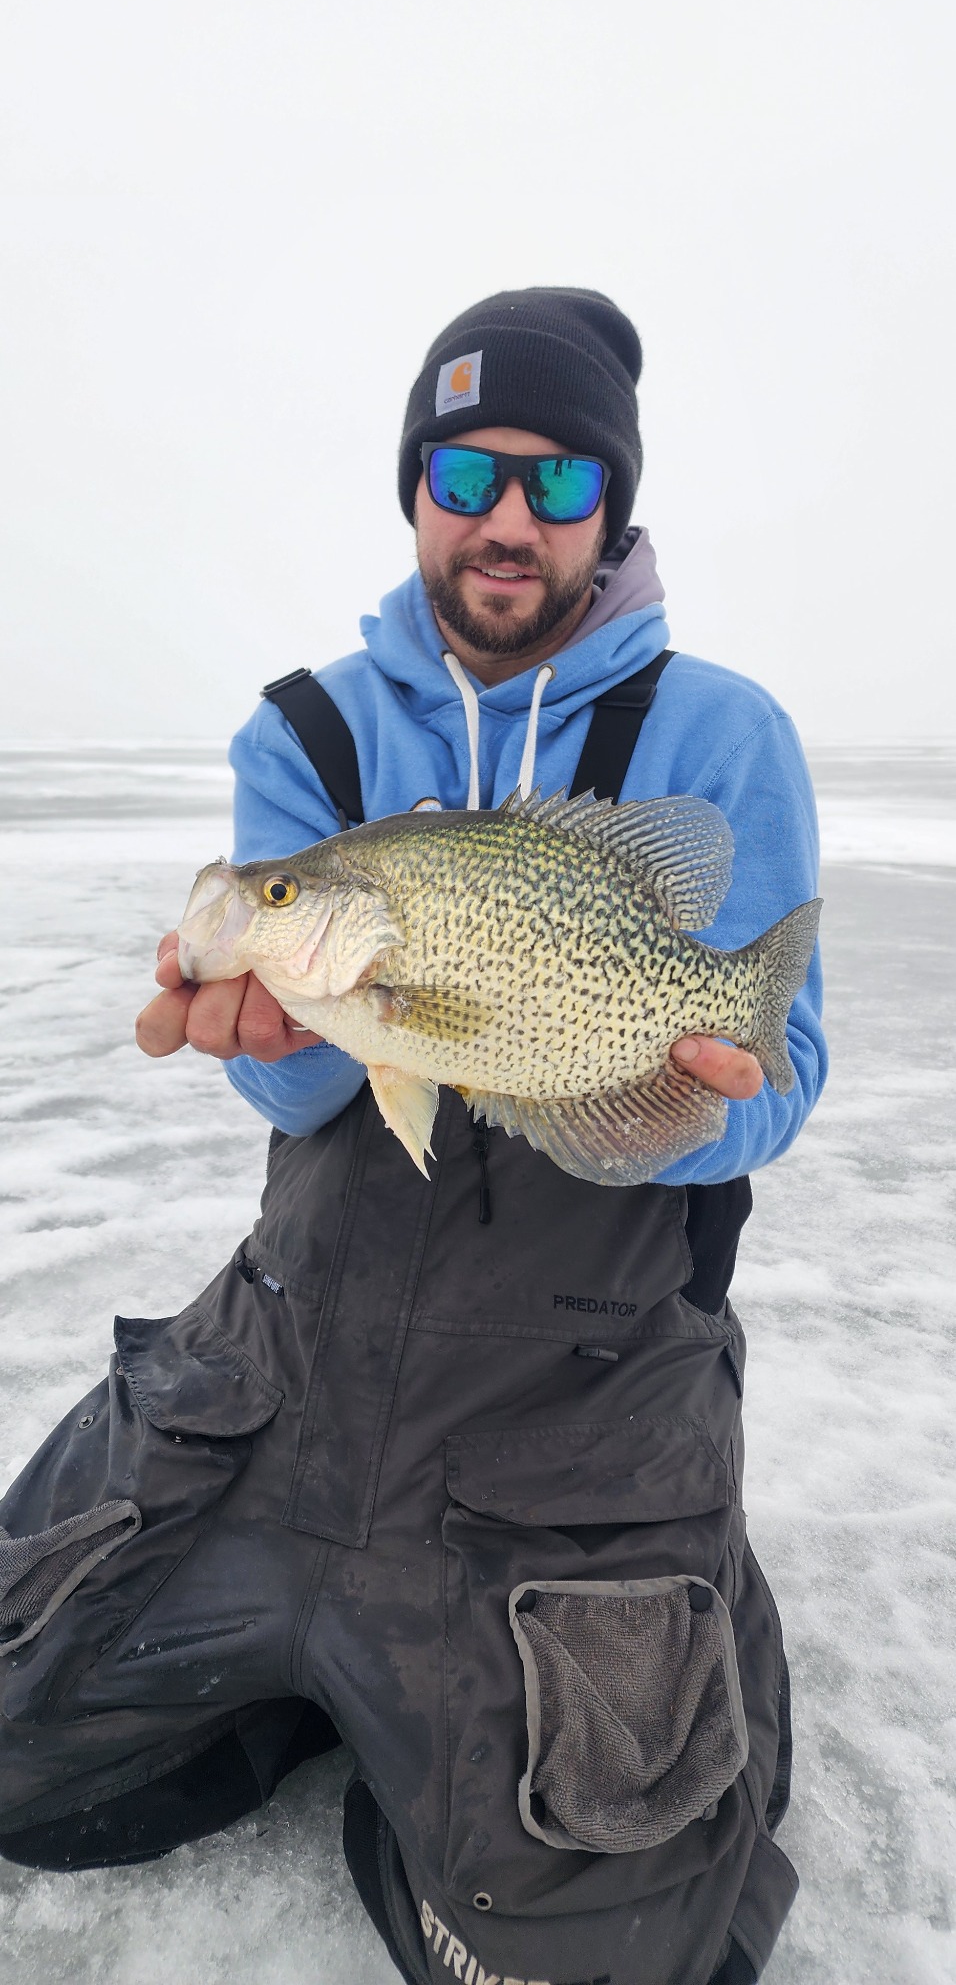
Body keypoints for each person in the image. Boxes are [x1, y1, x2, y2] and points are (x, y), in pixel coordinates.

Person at [0, 289, 826, 1985]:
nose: (508, 517)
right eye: (466, 470)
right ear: (417, 489)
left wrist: (653, 1099)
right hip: (294, 1351)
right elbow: (316, 1088)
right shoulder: (304, 735)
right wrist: (282, 1036)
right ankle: (315, 1692)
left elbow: (785, 1070)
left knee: (605, 1953)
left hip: (581, 1394)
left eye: (560, 481)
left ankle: (431, 1723)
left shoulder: (722, 734)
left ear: (613, 509)